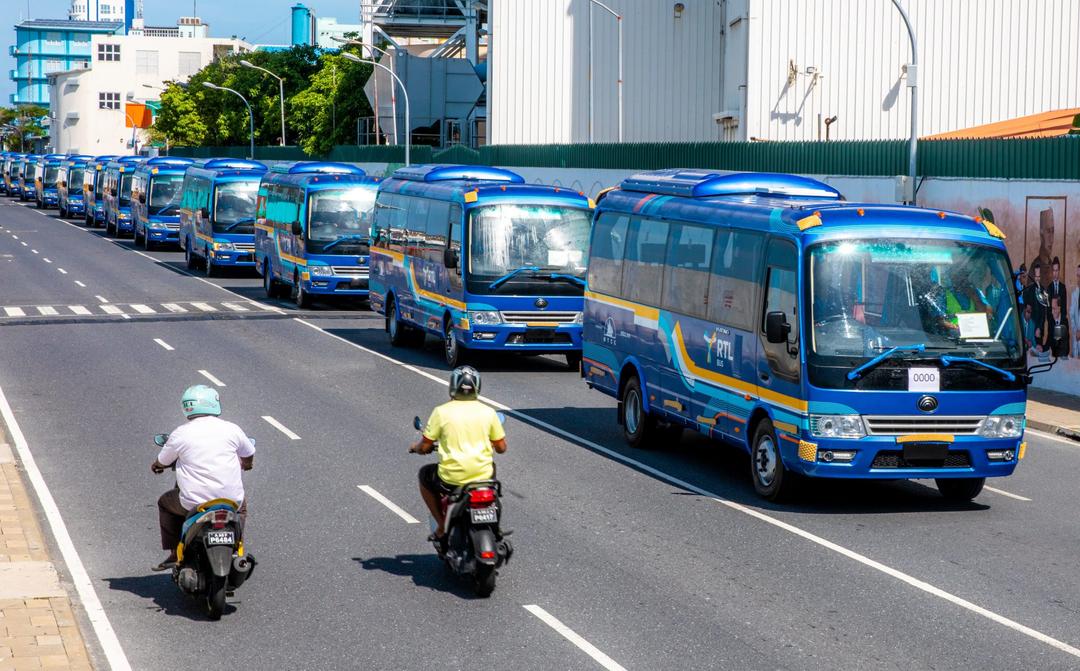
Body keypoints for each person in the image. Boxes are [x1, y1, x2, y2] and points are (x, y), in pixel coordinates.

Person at [151, 385, 255, 571]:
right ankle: (237, 545)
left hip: (194, 503)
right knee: (242, 508)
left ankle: (175, 553)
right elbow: (248, 453)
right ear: (214, 403)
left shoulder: (181, 433)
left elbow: (163, 460)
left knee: (165, 503)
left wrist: (157, 466)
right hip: (231, 501)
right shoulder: (231, 429)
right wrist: (247, 465)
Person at [409, 366, 506, 544]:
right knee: (492, 470)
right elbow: (501, 448)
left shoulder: (441, 412)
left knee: (424, 475)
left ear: (453, 387)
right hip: (483, 477)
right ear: (477, 387)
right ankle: (496, 526)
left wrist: (416, 447)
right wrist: (491, 442)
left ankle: (441, 526)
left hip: (451, 479)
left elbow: (425, 446)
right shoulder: (489, 412)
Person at [1071, 264, 1080, 354]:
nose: (1078, 279)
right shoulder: (1074, 294)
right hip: (1076, 339)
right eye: (1077, 276)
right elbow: (1072, 315)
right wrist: (1076, 331)